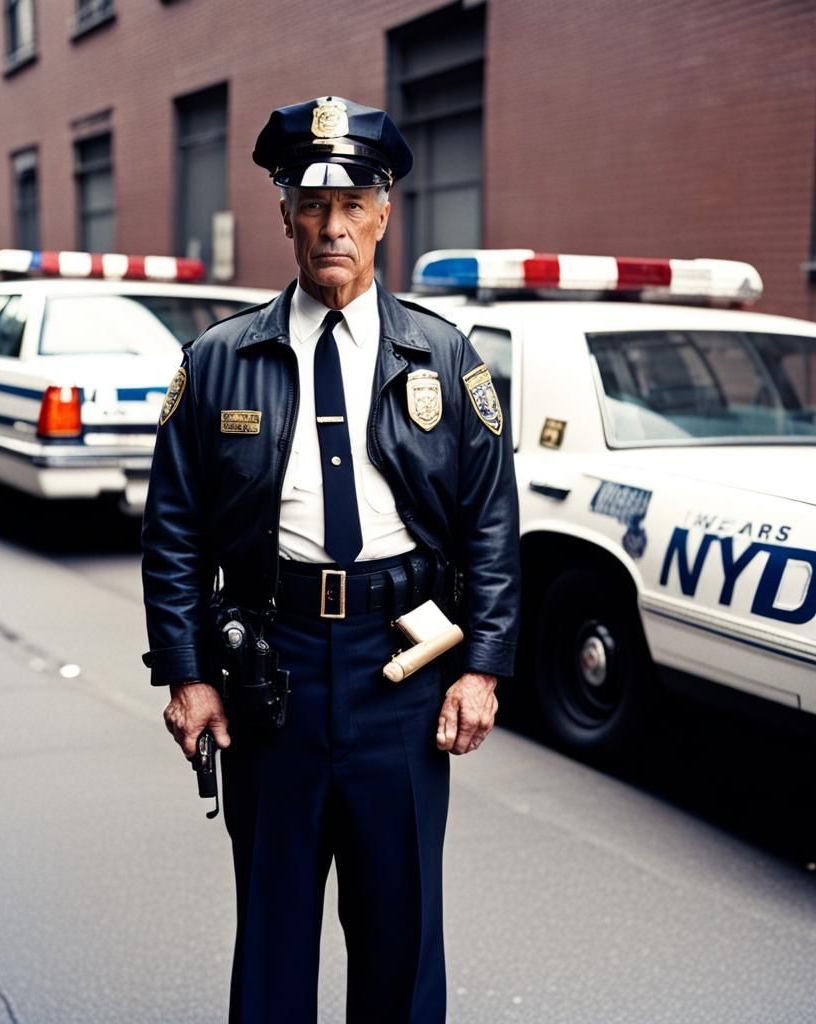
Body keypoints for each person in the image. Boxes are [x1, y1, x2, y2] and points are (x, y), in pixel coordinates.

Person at [141, 95, 520, 1024]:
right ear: (285, 216)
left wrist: (482, 669)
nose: (333, 227)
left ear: (385, 214)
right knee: (273, 934)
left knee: (400, 935)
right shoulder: (218, 362)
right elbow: (173, 531)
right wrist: (188, 675)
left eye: (353, 204)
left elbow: (491, 526)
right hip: (273, 668)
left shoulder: (444, 357)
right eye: (313, 205)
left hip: (402, 671)